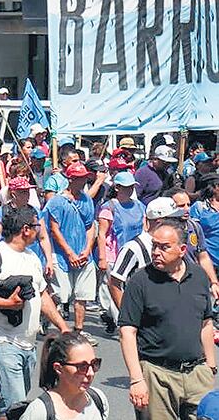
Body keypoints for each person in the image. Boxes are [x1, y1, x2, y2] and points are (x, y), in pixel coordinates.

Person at [0, 205, 69, 419]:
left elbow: (43, 296)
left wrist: (63, 326)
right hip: (0, 342)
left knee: (7, 401)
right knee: (16, 407)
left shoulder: (31, 258)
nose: (40, 230)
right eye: (37, 225)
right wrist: (7, 303)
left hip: (27, 345)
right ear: (26, 229)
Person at [119, 219, 216, 420]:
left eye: (164, 247)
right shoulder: (140, 280)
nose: (156, 252)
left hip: (197, 374)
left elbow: (206, 323)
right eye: (154, 246)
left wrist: (210, 365)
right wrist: (137, 379)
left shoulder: (198, 276)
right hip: (157, 374)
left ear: (182, 249)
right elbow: (127, 332)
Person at [45, 162, 99, 345]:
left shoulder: (87, 200)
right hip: (62, 256)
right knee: (61, 295)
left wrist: (87, 249)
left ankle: (78, 330)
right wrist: (69, 253)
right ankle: (51, 321)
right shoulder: (57, 201)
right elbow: (54, 229)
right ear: (71, 179)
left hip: (84, 255)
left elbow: (90, 226)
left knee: (82, 295)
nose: (83, 181)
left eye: (85, 177)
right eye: (79, 178)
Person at [18, 332, 108, 420]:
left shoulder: (98, 399)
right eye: (82, 367)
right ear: (58, 368)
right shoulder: (39, 411)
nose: (91, 373)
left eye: (94, 364)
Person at [95, 171, 145, 333]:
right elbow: (101, 234)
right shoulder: (109, 207)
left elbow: (145, 228)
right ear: (117, 187)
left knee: (131, 288)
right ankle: (120, 322)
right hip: (113, 254)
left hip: (133, 253)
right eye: (126, 187)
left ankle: (115, 316)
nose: (129, 189)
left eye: (131, 186)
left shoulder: (139, 206)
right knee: (114, 287)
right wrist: (102, 258)